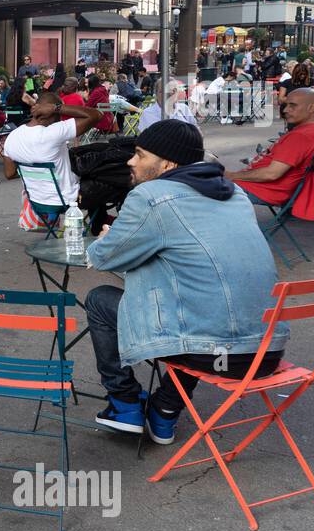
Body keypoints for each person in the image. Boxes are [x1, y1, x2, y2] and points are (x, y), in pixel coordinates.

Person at [84, 121, 285, 445]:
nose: (130, 162)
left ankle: (124, 405)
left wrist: (109, 237)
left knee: (99, 299)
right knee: (195, 300)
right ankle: (165, 410)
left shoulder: (151, 196)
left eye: (139, 154)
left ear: (168, 164)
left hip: (210, 349)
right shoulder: (234, 194)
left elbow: (103, 258)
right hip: (265, 350)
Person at [2, 91, 105, 213]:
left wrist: (36, 173)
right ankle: (101, 225)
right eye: (58, 113)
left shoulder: (12, 137)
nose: (60, 117)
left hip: (36, 201)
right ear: (49, 112)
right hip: (67, 200)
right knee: (110, 182)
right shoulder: (53, 132)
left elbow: (9, 174)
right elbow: (97, 115)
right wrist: (57, 108)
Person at [228, 88, 314, 206]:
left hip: (263, 190)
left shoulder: (302, 136)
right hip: (266, 187)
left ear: (312, 107)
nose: (286, 110)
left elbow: (271, 174)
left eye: (292, 106)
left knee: (204, 187)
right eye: (286, 105)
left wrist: (231, 176)